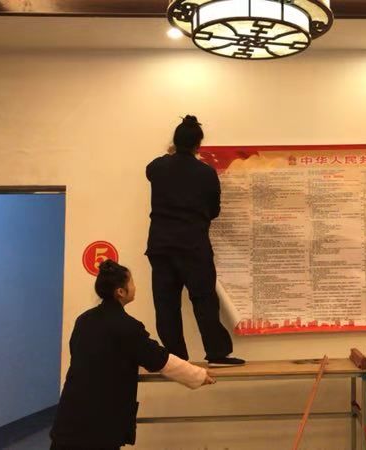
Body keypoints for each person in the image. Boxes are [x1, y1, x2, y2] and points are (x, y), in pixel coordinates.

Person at [50, 260, 216, 450]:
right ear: (121, 292)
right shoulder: (127, 326)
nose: (135, 287)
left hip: (70, 414)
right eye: (132, 282)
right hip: (99, 424)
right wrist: (199, 376)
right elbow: (159, 359)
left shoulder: (84, 319)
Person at [146, 115, 244, 367]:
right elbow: (214, 211)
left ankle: (175, 358)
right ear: (198, 145)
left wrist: (170, 154)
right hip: (194, 246)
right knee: (204, 300)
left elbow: (154, 168)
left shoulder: (157, 167)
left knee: (166, 304)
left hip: (161, 247)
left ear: (174, 142)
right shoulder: (206, 173)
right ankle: (217, 353)